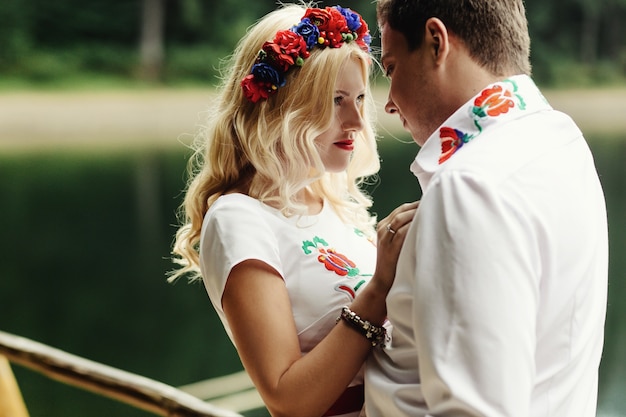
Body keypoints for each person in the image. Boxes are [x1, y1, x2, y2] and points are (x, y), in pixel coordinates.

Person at [170, 4, 418, 417]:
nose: (357, 120)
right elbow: (288, 400)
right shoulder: (238, 219)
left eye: (359, 99)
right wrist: (378, 289)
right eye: (336, 101)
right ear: (284, 107)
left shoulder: (337, 204)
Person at [364, 1, 609, 416]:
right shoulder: (562, 141)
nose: (388, 103)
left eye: (390, 68)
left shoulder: (469, 184)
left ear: (435, 43)